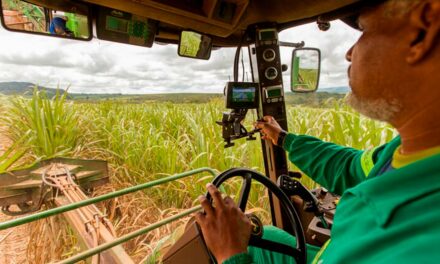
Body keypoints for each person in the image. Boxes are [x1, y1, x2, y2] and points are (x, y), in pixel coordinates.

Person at [195, 0, 440, 263]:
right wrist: (283, 138)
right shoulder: (402, 151)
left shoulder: (423, 249)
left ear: (422, 32)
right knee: (272, 238)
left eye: (365, 30)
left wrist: (230, 255)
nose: (349, 53)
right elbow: (348, 166)